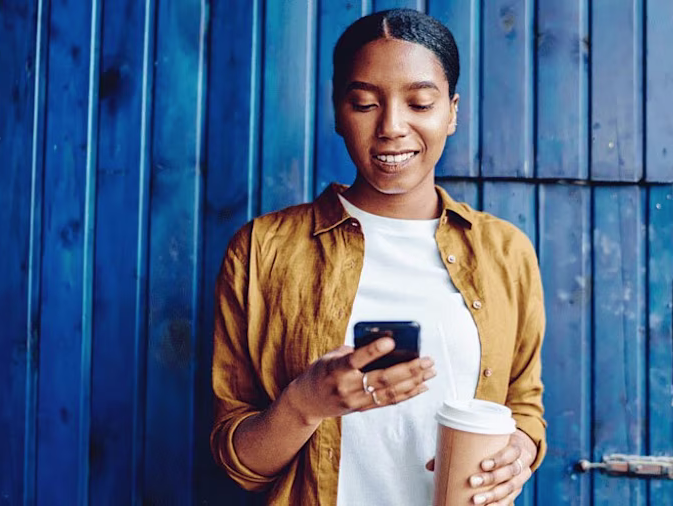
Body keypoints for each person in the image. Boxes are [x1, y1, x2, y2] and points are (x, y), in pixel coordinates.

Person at [211, 8, 546, 505]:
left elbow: (523, 405)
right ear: (338, 111)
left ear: (452, 112)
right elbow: (238, 462)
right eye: (365, 103)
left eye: (420, 103)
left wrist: (521, 447)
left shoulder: (505, 252)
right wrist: (305, 404)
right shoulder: (263, 251)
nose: (392, 126)